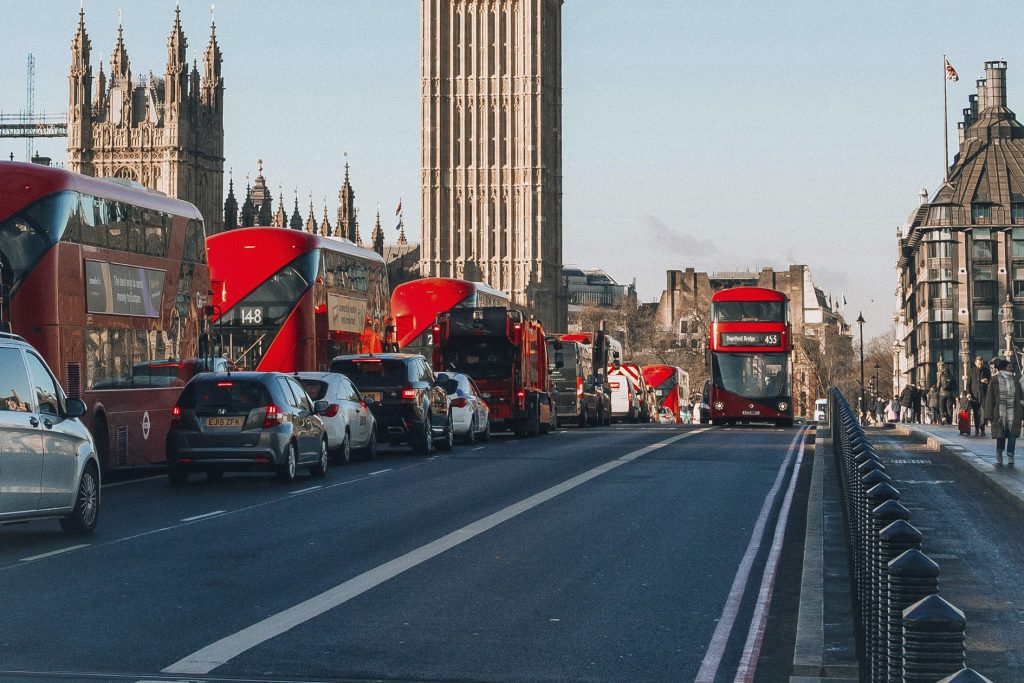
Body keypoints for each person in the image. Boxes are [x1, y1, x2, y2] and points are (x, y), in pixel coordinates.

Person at [982, 357, 1023, 466]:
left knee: (1012, 435)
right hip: (999, 413)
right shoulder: (994, 380)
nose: (1011, 369)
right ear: (1004, 368)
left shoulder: (1015, 381)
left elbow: (1021, 397)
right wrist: (988, 415)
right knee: (1000, 436)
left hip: (1014, 413)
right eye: (1009, 367)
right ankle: (999, 451)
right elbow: (989, 399)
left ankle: (1010, 455)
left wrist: (1021, 410)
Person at [967, 355, 991, 436]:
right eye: (978, 364)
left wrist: (986, 380)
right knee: (976, 412)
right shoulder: (971, 371)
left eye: (981, 364)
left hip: (984, 394)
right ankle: (977, 427)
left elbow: (989, 380)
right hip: (974, 394)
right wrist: (968, 393)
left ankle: (982, 428)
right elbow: (968, 384)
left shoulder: (987, 370)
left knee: (983, 412)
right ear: (975, 363)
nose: (980, 365)